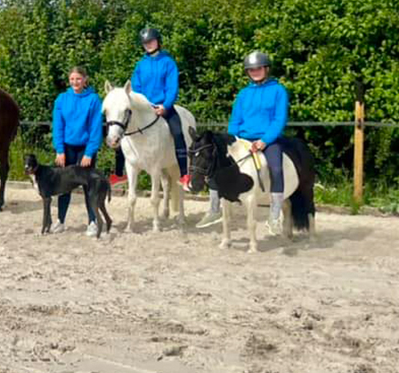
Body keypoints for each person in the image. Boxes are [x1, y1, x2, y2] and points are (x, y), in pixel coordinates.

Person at [197, 51, 289, 234]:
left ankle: (275, 215)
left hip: (267, 140)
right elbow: (235, 120)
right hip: (243, 139)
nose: (255, 71)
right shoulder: (243, 94)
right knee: (216, 164)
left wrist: (264, 141)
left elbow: (279, 120)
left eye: (258, 68)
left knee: (276, 169)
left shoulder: (278, 91)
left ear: (266, 69)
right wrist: (233, 139)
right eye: (251, 69)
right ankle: (214, 209)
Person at [110, 27, 190, 190]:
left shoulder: (168, 62)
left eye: (151, 41)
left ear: (158, 41)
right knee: (121, 131)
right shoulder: (140, 65)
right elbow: (135, 87)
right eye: (145, 43)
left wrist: (165, 106)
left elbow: (172, 87)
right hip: (144, 107)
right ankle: (119, 174)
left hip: (163, 106)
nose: (148, 45)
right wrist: (143, 104)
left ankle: (184, 174)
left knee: (178, 132)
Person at [51, 66, 104, 236]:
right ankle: (60, 220)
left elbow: (96, 128)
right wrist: (60, 150)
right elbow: (58, 126)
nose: (75, 82)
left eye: (78, 79)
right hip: (67, 148)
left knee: (89, 186)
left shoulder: (94, 100)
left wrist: (89, 152)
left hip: (85, 149)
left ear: (85, 79)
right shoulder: (62, 99)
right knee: (63, 185)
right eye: (72, 79)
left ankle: (92, 221)